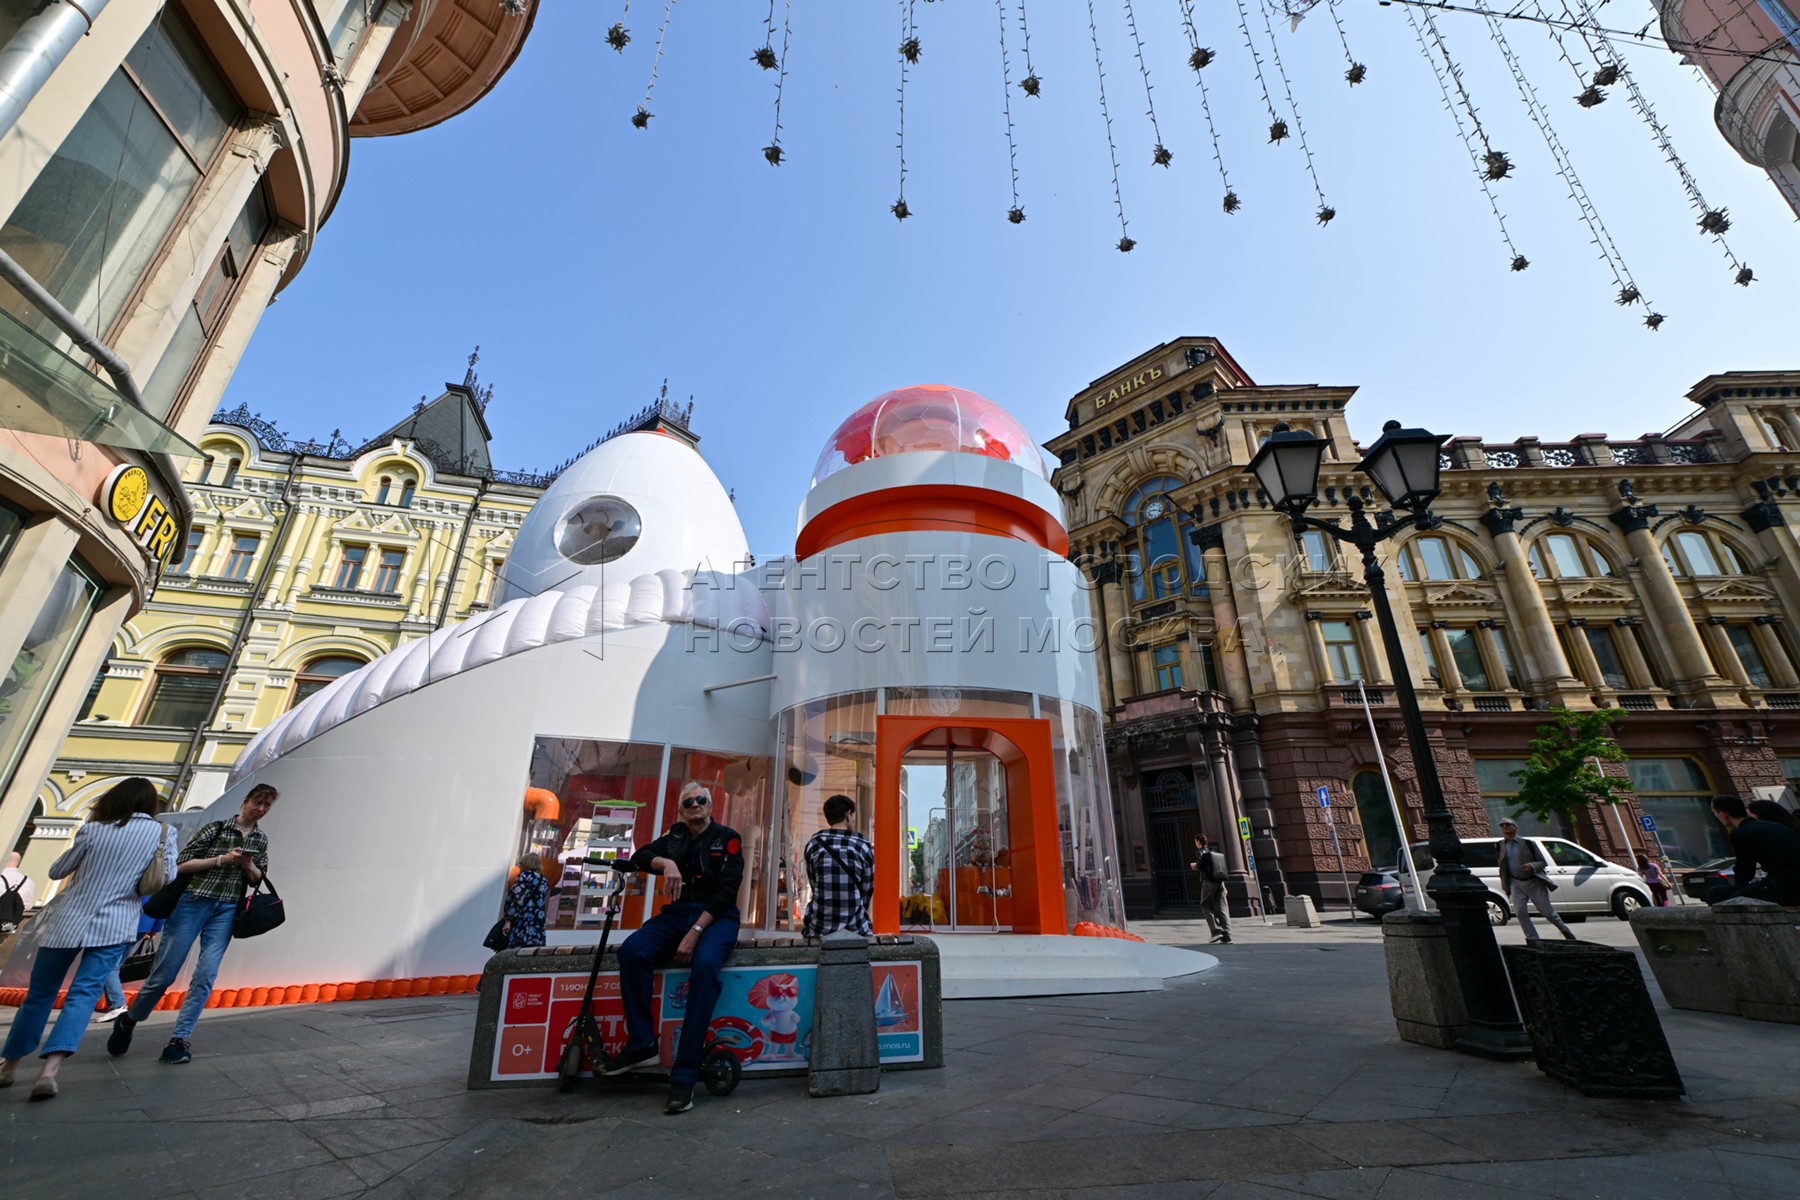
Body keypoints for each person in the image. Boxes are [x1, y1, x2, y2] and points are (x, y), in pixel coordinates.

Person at [1, 777, 173, 1100]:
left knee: (40, 994)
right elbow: (169, 875)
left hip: (69, 921)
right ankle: (48, 1073)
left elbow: (57, 871)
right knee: (84, 994)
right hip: (117, 923)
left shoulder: (94, 829)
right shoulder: (163, 833)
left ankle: (10, 1066)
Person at [108, 784, 277, 1066]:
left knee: (206, 974)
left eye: (266, 805)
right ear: (245, 802)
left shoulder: (260, 839)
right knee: (165, 974)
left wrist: (248, 865)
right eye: (257, 802)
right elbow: (180, 865)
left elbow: (258, 878)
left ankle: (179, 1039)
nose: (260, 809)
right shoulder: (216, 829)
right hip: (193, 902)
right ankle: (129, 1020)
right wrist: (222, 859)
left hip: (227, 909)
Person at [603, 781, 743, 1115]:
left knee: (705, 966)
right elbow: (639, 856)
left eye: (701, 800)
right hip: (677, 914)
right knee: (632, 951)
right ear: (681, 811)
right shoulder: (675, 837)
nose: (696, 805)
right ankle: (642, 1043)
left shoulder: (728, 838)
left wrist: (696, 931)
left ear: (711, 806)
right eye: (689, 802)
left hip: (717, 917)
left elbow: (727, 893)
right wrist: (667, 864)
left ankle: (685, 1074)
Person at [802, 794, 874, 939]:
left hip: (818, 929)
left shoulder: (814, 845)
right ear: (848, 815)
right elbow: (866, 891)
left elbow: (814, 884)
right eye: (852, 816)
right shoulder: (863, 846)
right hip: (856, 929)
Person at [1707, 795, 1800, 906]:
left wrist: (1739, 884)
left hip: (1786, 885)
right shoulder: (1772, 825)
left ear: (1723, 815)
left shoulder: (1740, 833)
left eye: (1715, 813)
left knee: (1728, 899)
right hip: (1788, 881)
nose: (1716, 816)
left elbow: (1745, 868)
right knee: (1724, 894)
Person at [1497, 818, 1575, 945]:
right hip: (1515, 882)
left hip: (1533, 881)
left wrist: (1531, 866)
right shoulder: (1500, 845)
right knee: (1520, 912)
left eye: (1508, 824)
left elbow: (1542, 862)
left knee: (1547, 912)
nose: (1504, 826)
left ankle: (1565, 931)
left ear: (1515, 827)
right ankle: (1532, 939)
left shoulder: (1527, 843)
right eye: (1502, 825)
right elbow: (1502, 865)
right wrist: (1505, 884)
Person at [1189, 834, 1231, 945]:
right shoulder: (1212, 851)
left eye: (1195, 841)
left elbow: (1200, 866)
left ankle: (1216, 931)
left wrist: (1195, 865)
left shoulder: (1200, 852)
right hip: (1220, 882)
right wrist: (1224, 886)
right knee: (1222, 908)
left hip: (1208, 882)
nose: (1195, 843)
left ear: (1198, 841)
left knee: (1205, 905)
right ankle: (1227, 936)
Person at [503, 852, 549, 948]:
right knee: (531, 950)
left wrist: (508, 919)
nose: (519, 866)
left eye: (521, 864)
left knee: (516, 950)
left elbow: (516, 898)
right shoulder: (543, 880)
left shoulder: (524, 876)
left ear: (526, 864)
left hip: (522, 919)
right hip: (537, 921)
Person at [1, 850, 33, 934]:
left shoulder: (1, 877)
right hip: (12, 925)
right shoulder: (29, 882)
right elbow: (27, 906)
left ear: (5, 860)